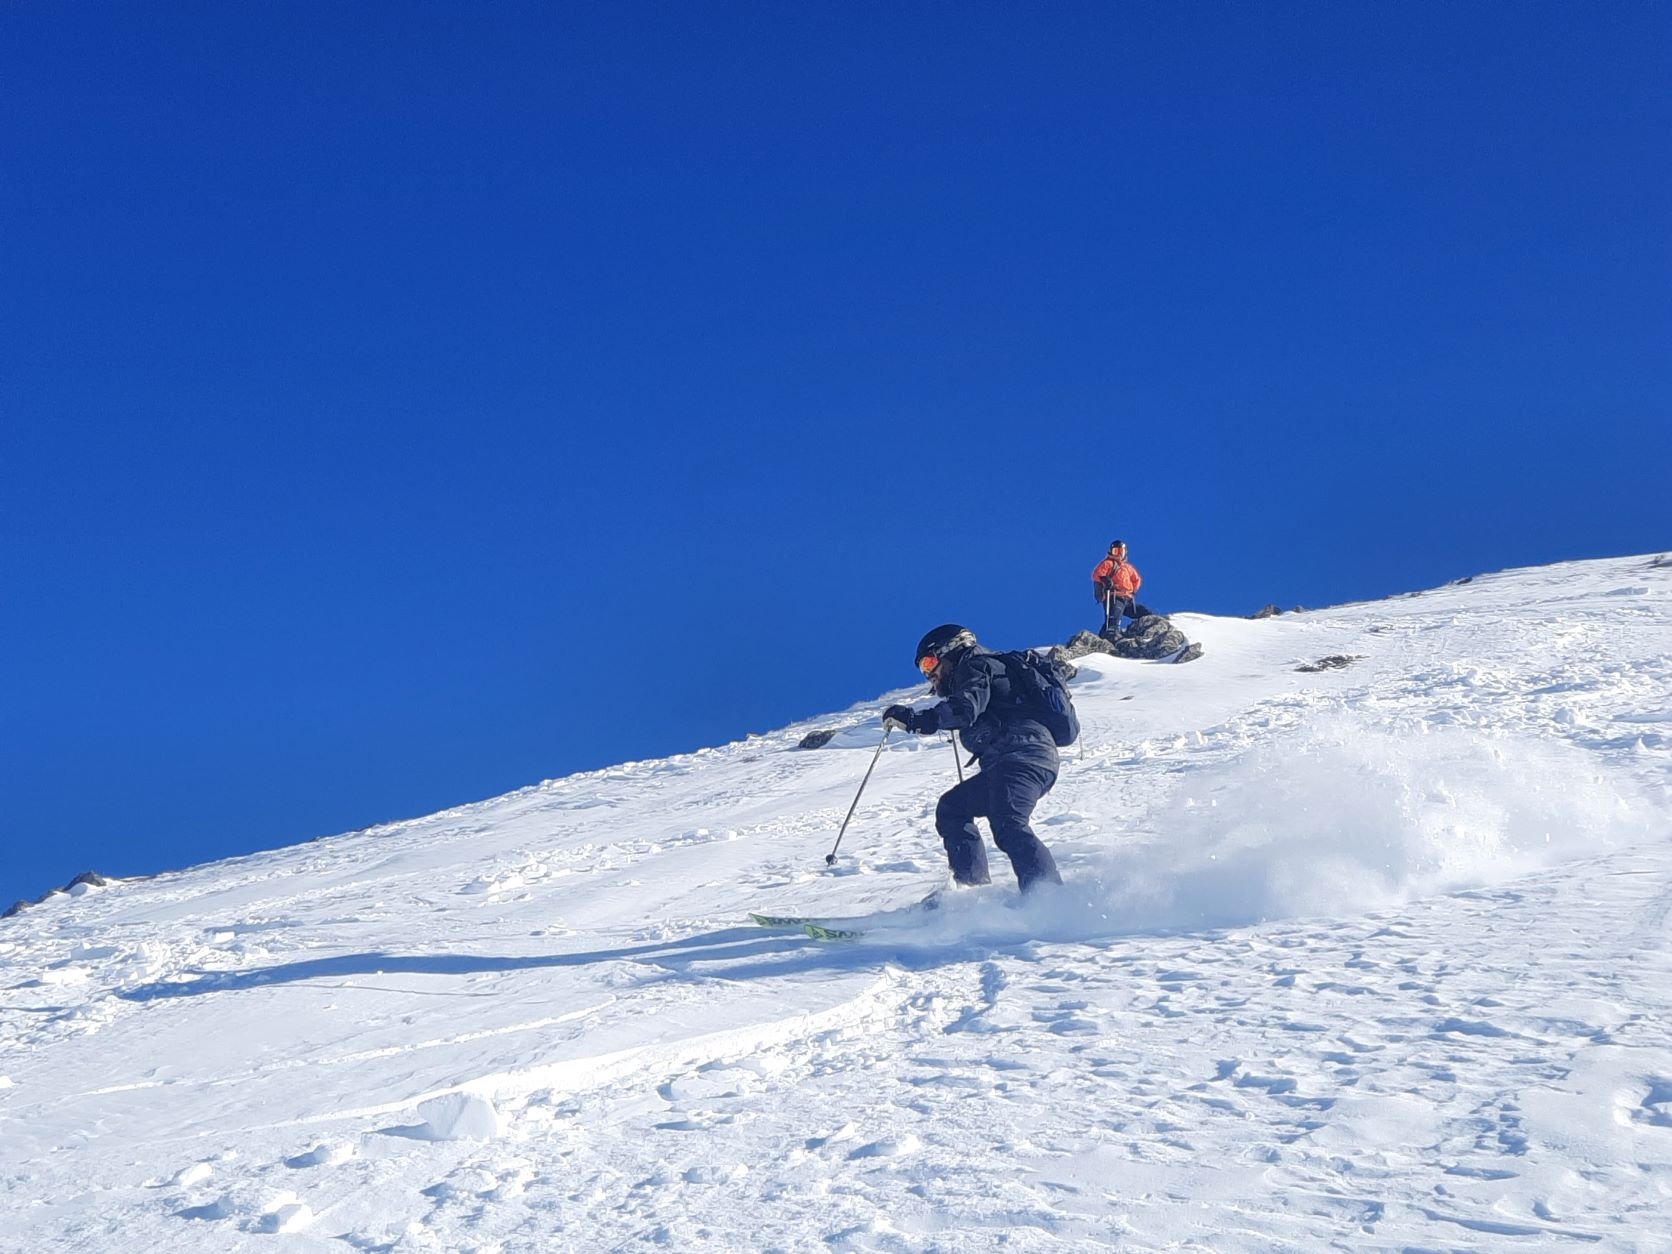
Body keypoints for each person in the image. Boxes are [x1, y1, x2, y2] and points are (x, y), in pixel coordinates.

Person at [882, 624, 1064, 893]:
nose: (929, 674)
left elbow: (965, 709)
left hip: (1021, 755)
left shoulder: (977, 666)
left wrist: (916, 720)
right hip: (1016, 760)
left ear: (951, 650)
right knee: (952, 808)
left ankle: (1048, 897)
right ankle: (971, 890)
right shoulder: (981, 670)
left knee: (1009, 823)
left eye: (930, 662)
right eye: (923, 669)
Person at [1091, 539, 1148, 636]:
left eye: (1121, 551)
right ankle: (1110, 635)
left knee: (1145, 613)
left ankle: (1150, 625)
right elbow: (1097, 574)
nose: (1118, 554)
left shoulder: (1127, 567)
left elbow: (1136, 579)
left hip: (1127, 599)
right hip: (1114, 596)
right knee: (1114, 618)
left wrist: (1133, 590)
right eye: (1115, 551)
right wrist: (1105, 579)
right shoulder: (1108, 563)